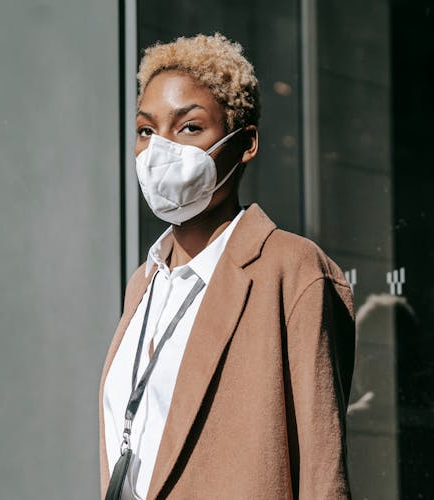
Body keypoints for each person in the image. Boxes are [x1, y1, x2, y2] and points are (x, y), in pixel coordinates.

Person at [99, 34, 355, 499]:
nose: (161, 150)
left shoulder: (291, 269)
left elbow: (323, 470)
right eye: (146, 130)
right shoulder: (145, 281)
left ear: (246, 142)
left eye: (190, 128)